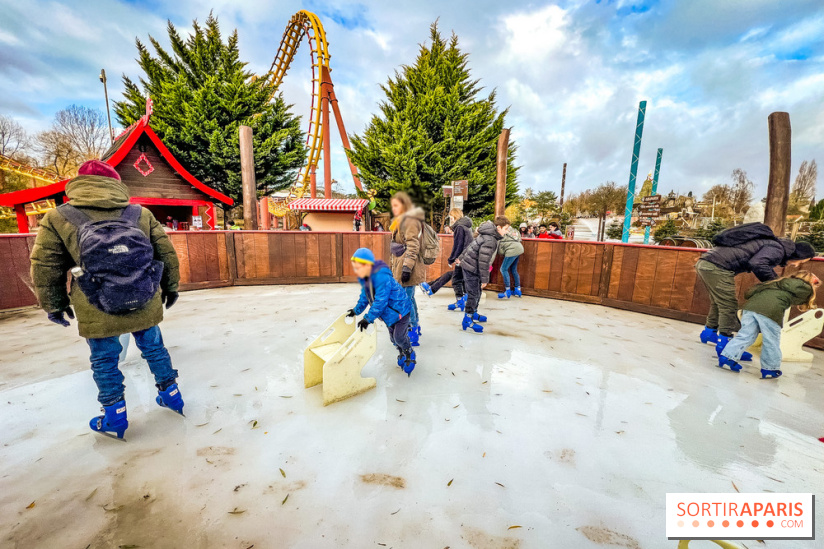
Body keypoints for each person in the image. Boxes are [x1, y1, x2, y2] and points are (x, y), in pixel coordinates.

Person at [29, 160, 182, 440]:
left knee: (104, 360)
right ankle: (172, 396)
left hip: (96, 302)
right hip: (144, 296)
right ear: (115, 184)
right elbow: (165, 253)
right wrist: (170, 287)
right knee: (155, 348)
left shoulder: (58, 217)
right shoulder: (140, 213)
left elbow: (46, 266)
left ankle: (115, 416)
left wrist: (54, 304)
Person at [695, 224, 815, 360]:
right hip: (717, 266)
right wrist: (775, 283)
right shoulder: (777, 249)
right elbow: (758, 263)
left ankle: (709, 332)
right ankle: (726, 344)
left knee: (719, 301)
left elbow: (757, 262)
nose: (797, 265)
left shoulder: (775, 245)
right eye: (801, 261)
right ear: (799, 255)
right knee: (728, 305)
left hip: (707, 262)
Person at [718, 271, 819, 378]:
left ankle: (728, 357)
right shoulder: (805, 288)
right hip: (770, 311)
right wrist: (813, 285)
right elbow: (802, 302)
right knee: (771, 340)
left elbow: (749, 293)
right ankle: (770, 368)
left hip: (750, 307)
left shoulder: (777, 282)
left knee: (746, 335)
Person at [347, 248, 416, 376]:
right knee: (393, 339)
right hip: (389, 315)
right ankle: (401, 351)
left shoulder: (381, 278)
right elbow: (364, 298)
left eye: (358, 267)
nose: (356, 271)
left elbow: (381, 301)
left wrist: (367, 319)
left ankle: (408, 351)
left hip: (401, 310)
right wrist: (355, 311)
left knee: (399, 337)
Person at [389, 192, 427, 346]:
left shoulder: (409, 220)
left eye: (396, 205)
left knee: (405, 300)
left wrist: (407, 268)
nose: (394, 208)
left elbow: (413, 245)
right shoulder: (401, 220)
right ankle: (415, 326)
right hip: (402, 265)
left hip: (408, 267)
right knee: (409, 298)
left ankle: (411, 330)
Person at [455, 218, 504, 333]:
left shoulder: (486, 235)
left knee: (477, 292)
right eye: (506, 229)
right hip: (471, 268)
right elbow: (484, 261)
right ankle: (467, 319)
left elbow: (470, 246)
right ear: (498, 228)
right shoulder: (490, 239)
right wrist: (485, 279)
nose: (507, 232)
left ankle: (473, 313)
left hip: (472, 267)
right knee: (473, 293)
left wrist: (461, 258)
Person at [420, 209, 474, 311]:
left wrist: (452, 259)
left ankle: (459, 301)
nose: (450, 219)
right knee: (456, 277)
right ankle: (431, 288)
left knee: (456, 280)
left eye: (451, 217)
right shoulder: (466, 226)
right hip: (467, 257)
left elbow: (458, 245)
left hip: (463, 257)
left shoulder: (460, 227)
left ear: (454, 216)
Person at [497, 216, 524, 299]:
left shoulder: (500, 232)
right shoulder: (512, 230)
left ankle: (507, 291)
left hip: (511, 251)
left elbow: (500, 249)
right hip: (519, 248)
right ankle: (517, 290)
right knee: (513, 269)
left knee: (503, 269)